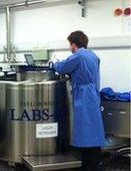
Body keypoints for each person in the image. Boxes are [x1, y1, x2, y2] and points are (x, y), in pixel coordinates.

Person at [51, 31, 105, 171]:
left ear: (73, 44)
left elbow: (62, 67)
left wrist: (55, 62)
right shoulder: (93, 55)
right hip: (93, 94)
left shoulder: (78, 56)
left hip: (84, 96)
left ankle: (89, 166)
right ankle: (93, 163)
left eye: (70, 44)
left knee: (86, 130)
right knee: (93, 129)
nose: (70, 47)